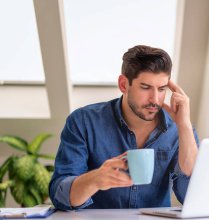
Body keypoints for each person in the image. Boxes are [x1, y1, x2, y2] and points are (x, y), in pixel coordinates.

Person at [49, 45, 199, 210]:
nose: (155, 99)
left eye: (162, 89)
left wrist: (184, 125)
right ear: (123, 84)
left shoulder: (179, 130)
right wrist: (94, 180)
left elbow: (192, 196)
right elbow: (59, 195)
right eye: (145, 87)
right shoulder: (83, 121)